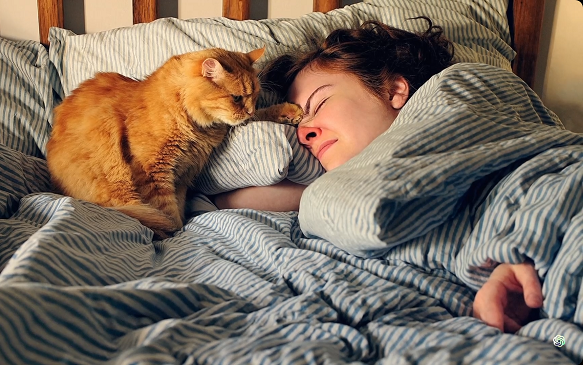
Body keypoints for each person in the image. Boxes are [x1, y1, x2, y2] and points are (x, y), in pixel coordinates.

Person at [211, 18, 544, 334]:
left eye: (320, 102)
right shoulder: (345, 188)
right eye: (298, 123)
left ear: (394, 90)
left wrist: (516, 245)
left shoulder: (460, 88)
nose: (304, 132)